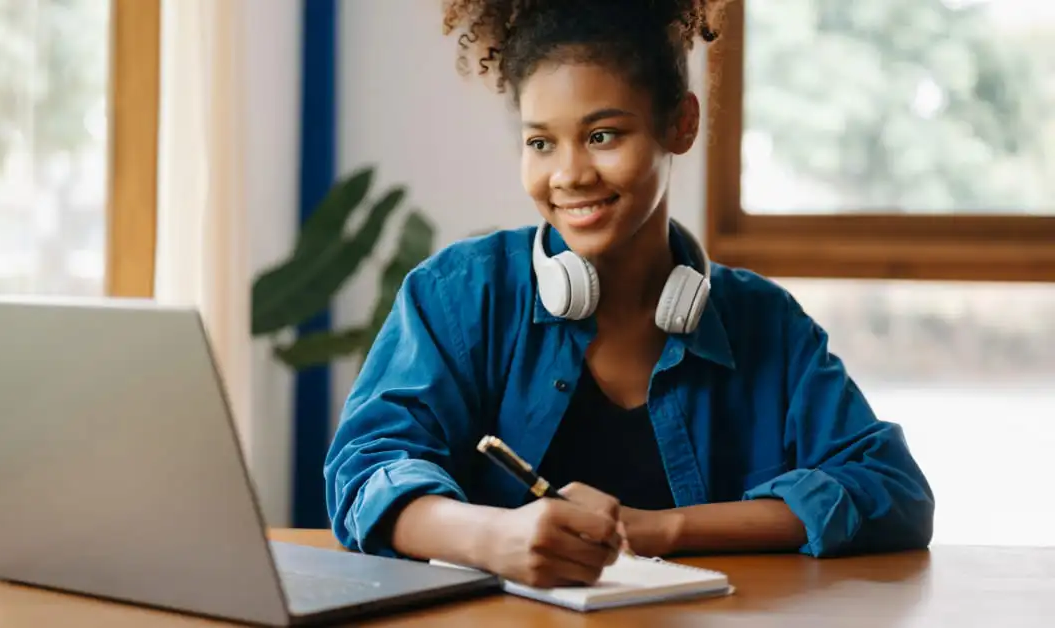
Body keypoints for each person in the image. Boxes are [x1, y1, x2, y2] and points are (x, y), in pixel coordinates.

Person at [323, 0, 934, 589]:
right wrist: (493, 537)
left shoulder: (762, 320)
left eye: (603, 135)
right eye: (541, 143)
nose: (569, 175)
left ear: (682, 124)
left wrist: (662, 529)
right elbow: (364, 472)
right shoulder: (460, 295)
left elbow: (892, 491)